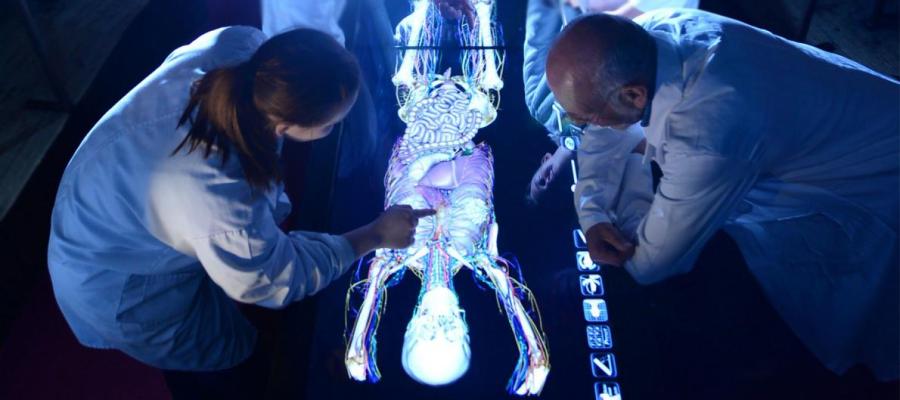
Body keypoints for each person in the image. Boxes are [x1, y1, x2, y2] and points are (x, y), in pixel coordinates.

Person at [46, 25, 435, 397]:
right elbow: (274, 280)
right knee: (230, 362)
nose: (335, 129)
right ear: (285, 124)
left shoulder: (239, 49)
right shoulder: (216, 190)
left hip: (103, 201)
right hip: (121, 277)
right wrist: (374, 236)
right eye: (331, 126)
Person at [546, 10, 899, 380]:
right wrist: (594, 214)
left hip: (876, 177)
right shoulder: (650, 32)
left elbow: (654, 263)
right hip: (855, 102)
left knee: (865, 310)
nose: (583, 127)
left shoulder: (706, 134)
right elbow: (608, 133)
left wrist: (617, 224)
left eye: (583, 118)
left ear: (634, 94)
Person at [524, 0, 698, 203]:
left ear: (544, 161)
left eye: (541, 183)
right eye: (553, 190)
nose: (549, 181)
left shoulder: (541, 106)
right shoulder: (628, 149)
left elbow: (540, 26)